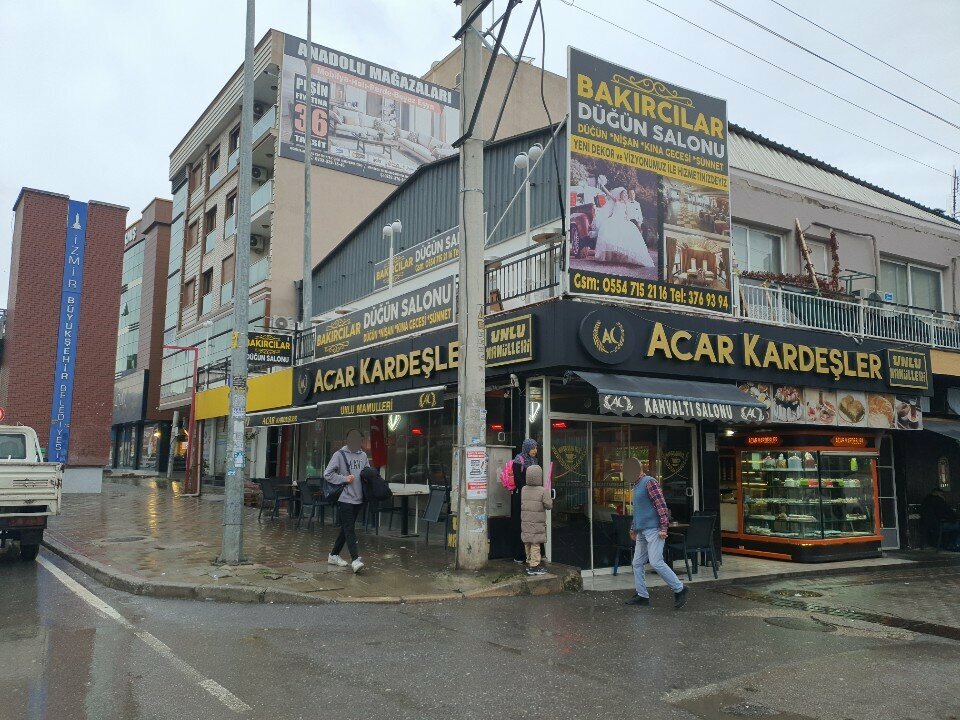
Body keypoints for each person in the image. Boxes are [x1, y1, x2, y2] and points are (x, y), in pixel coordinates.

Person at [624, 457, 689, 608]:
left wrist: (664, 528)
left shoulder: (649, 482)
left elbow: (661, 505)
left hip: (654, 530)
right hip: (642, 531)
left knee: (656, 562)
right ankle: (642, 595)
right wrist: (633, 528)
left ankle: (680, 589)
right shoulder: (636, 485)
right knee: (637, 563)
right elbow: (638, 510)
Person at [325, 428, 369, 573]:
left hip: (358, 498)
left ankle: (333, 555)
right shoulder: (339, 455)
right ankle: (355, 559)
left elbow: (367, 473)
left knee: (346, 529)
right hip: (344, 498)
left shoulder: (363, 456)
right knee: (350, 529)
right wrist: (344, 479)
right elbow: (328, 474)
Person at [594, 187, 654, 267]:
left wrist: (627, 218)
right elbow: (609, 193)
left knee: (625, 237)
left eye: (625, 194)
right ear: (620, 195)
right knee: (609, 235)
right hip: (614, 219)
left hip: (622, 220)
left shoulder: (626, 203)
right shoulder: (616, 200)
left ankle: (625, 257)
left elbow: (628, 213)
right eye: (623, 194)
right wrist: (603, 186)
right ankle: (611, 256)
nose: (624, 195)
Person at [520, 465, 552, 576]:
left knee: (527, 541)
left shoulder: (524, 489)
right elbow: (549, 505)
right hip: (537, 522)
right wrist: (548, 495)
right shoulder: (543, 491)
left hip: (525, 520)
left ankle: (529, 562)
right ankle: (534, 566)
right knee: (535, 543)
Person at [511, 439, 539, 563]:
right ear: (527, 448)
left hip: (533, 497)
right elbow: (518, 481)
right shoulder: (518, 460)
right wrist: (528, 491)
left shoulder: (535, 461)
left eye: (536, 448)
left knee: (532, 525)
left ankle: (533, 555)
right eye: (532, 448)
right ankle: (519, 554)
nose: (535, 450)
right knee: (520, 524)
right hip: (521, 497)